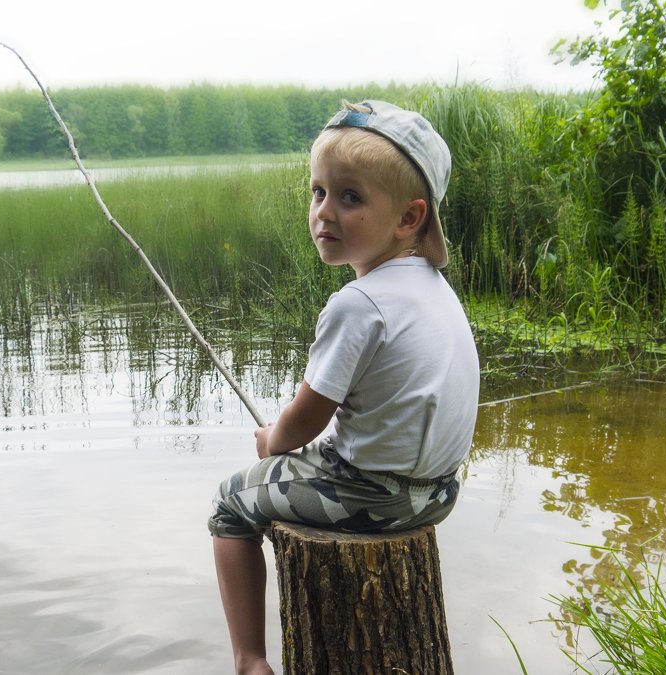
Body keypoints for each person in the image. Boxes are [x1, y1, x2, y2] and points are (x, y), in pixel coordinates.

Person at [208, 100, 480, 675]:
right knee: (309, 463)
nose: (325, 213)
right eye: (318, 193)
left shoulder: (358, 304)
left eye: (350, 197)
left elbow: (306, 419)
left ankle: (249, 661)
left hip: (375, 499)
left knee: (231, 504)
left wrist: (272, 441)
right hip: (439, 492)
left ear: (409, 218)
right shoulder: (434, 289)